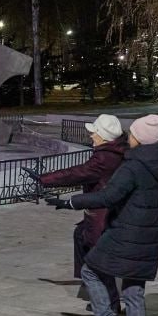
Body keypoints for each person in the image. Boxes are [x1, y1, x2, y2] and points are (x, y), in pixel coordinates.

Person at [46, 114, 158, 316]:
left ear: (138, 137)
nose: (129, 137)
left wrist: (71, 202)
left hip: (125, 232)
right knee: (134, 288)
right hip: (149, 235)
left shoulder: (133, 166)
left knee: (90, 270)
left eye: (133, 134)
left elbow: (108, 197)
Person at [23, 114, 128, 279]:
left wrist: (44, 179)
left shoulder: (104, 157)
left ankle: (100, 289)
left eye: (94, 132)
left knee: (95, 248)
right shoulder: (120, 151)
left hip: (102, 210)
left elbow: (77, 173)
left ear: (104, 136)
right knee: (81, 235)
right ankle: (91, 281)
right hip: (112, 208)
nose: (91, 135)